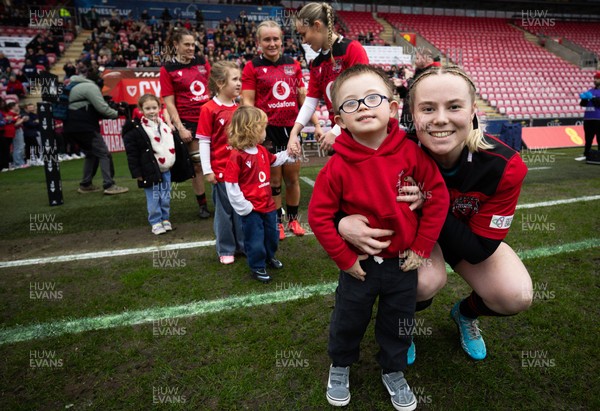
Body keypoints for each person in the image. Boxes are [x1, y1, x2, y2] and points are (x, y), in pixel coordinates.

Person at [338, 64, 533, 364]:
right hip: (417, 238)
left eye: (454, 106)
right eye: (428, 108)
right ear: (412, 116)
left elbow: (479, 250)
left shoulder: (504, 165)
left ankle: (465, 314)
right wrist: (341, 220)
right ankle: (403, 326)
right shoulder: (394, 149)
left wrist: (431, 203)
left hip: (470, 238)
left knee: (515, 294)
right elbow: (343, 183)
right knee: (424, 281)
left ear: (471, 111)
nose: (441, 119)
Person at [308, 65, 449, 410]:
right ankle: (340, 364)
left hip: (403, 264)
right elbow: (318, 217)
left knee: (398, 322)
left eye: (373, 98)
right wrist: (345, 258)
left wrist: (421, 247)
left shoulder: (412, 153)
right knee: (348, 318)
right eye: (351, 103)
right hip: (360, 267)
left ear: (392, 108)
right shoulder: (336, 167)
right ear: (339, 120)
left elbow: (438, 197)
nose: (364, 107)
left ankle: (394, 370)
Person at [241, 20, 319, 240]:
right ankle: (277, 222)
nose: (272, 43)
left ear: (281, 40)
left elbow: (303, 97)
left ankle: (294, 220)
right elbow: (247, 101)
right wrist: (254, 127)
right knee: (273, 181)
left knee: (292, 178)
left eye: (276, 39)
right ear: (259, 42)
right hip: (267, 132)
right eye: (267, 39)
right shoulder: (252, 66)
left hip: (291, 130)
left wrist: (317, 124)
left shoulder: (292, 65)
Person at [286, 2, 369, 156]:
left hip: (361, 134)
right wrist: (294, 133)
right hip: (341, 134)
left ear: (317, 25)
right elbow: (310, 102)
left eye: (303, 34)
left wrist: (336, 131)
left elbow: (361, 96)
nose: (303, 41)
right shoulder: (316, 63)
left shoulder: (352, 49)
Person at [224, 106, 293, 282]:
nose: (266, 131)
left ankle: (269, 257)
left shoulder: (261, 150)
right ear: (251, 130)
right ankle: (257, 266)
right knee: (254, 240)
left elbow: (275, 160)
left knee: (272, 235)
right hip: (252, 209)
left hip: (269, 206)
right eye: (263, 128)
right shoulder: (237, 156)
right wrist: (245, 207)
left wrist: (289, 153)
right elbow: (231, 185)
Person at [123, 94, 194, 235]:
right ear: (140, 109)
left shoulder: (165, 126)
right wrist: (137, 172)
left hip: (166, 169)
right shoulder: (137, 129)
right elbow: (132, 154)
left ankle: (165, 218)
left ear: (160, 108)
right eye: (147, 108)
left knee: (165, 196)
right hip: (149, 170)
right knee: (154, 197)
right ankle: (155, 221)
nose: (151, 111)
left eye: (154, 107)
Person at [161, 27, 212, 219]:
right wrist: (181, 128)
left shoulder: (201, 62)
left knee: (219, 161)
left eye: (193, 44)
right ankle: (203, 205)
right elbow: (169, 103)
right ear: (176, 45)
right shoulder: (167, 69)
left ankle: (224, 200)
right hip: (189, 122)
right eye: (187, 45)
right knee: (197, 165)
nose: (192, 48)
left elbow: (214, 87)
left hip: (210, 119)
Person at [196, 61, 244, 265]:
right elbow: (205, 141)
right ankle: (225, 248)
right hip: (222, 173)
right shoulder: (208, 109)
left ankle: (243, 244)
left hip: (241, 172)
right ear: (220, 83)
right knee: (224, 214)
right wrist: (208, 170)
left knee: (242, 209)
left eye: (240, 79)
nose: (239, 83)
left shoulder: (239, 108)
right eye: (235, 79)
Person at [63, 60, 129, 195]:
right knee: (104, 153)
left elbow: (92, 109)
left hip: (72, 126)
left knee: (92, 153)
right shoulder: (90, 87)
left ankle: (86, 184)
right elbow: (102, 108)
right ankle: (109, 185)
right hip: (85, 127)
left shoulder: (76, 85)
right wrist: (117, 113)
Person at [395, 48, 439, 134]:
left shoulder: (433, 73)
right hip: (409, 120)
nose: (415, 61)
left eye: (418, 58)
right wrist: (400, 87)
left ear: (426, 59)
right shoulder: (419, 72)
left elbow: (420, 91)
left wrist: (409, 78)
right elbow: (409, 95)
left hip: (421, 122)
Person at [576, 71, 600, 161]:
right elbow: (583, 104)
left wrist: (593, 98)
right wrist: (584, 99)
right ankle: (587, 154)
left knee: (599, 139)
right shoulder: (590, 90)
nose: (595, 80)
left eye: (597, 78)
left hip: (598, 119)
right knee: (588, 139)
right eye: (595, 78)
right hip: (588, 118)